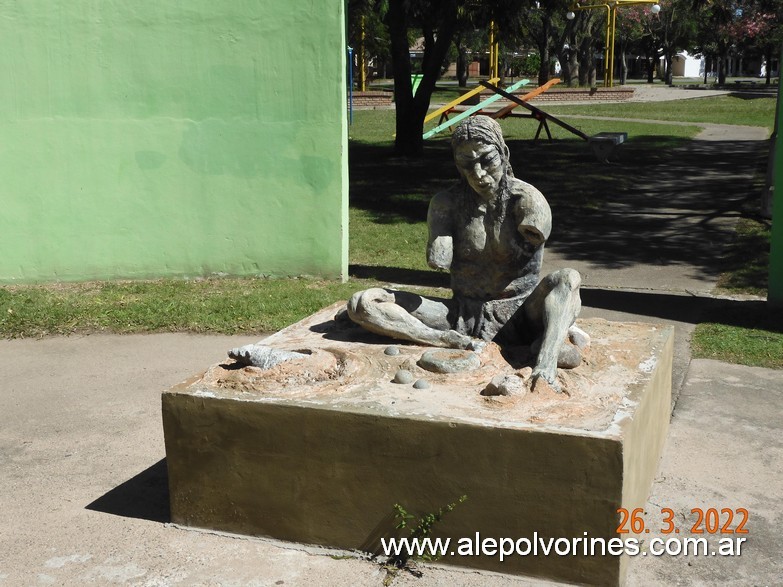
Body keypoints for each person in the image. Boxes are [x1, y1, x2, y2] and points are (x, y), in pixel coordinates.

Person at [346, 116, 587, 389]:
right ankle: (443, 340)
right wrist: (443, 226)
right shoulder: (446, 204)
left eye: (487, 160)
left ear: (504, 154)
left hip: (522, 314)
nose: (479, 174)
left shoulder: (527, 201)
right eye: (466, 164)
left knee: (567, 279)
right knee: (364, 302)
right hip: (460, 315)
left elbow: (536, 231)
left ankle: (545, 365)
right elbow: (439, 257)